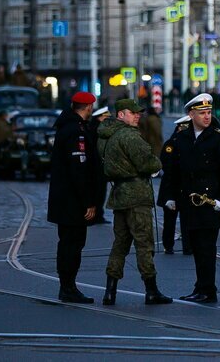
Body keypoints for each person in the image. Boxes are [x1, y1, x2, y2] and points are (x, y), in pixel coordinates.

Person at [97, 98, 171, 306]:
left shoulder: (105, 135)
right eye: (133, 112)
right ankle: (151, 290)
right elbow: (148, 162)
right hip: (137, 195)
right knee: (144, 243)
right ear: (121, 114)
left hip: (119, 194)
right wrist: (156, 162)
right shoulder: (130, 136)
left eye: (139, 112)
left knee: (119, 244)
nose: (138, 115)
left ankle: (110, 292)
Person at [163, 94, 220, 303]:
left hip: (209, 201)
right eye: (202, 113)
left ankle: (208, 289)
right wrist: (170, 196)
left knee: (206, 246)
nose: (207, 116)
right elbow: (173, 170)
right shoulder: (181, 138)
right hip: (188, 201)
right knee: (195, 245)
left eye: (209, 112)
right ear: (191, 114)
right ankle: (200, 285)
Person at [46, 91, 98, 303]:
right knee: (72, 244)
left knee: (68, 243)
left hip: (64, 199)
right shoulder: (76, 131)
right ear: (88, 107)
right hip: (73, 201)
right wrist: (89, 202)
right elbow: (79, 170)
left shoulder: (66, 127)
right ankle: (68, 287)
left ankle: (67, 286)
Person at [156, 115, 192, 255]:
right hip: (171, 187)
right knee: (169, 220)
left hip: (185, 188)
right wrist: (170, 196)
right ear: (180, 127)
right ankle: (168, 245)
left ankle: (187, 246)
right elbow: (167, 167)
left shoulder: (190, 142)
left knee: (187, 219)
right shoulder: (171, 144)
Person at [89, 106, 111, 225]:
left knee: (100, 191)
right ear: (100, 117)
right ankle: (96, 215)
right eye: (106, 117)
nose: (107, 119)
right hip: (96, 166)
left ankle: (98, 214)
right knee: (97, 192)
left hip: (100, 166)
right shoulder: (97, 130)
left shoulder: (97, 128)